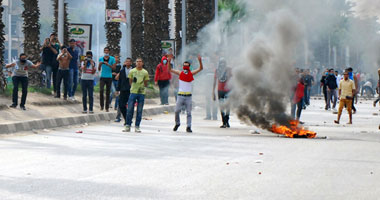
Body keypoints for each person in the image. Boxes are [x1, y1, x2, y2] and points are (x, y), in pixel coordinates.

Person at [170, 55, 204, 133]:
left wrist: (200, 61)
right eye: (184, 65)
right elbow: (170, 69)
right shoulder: (180, 73)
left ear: (189, 66)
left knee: (189, 113)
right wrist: (169, 61)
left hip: (188, 96)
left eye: (187, 65)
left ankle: (188, 126)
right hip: (180, 95)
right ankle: (177, 123)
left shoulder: (191, 74)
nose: (185, 67)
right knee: (177, 111)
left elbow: (201, 69)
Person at [124, 58, 149, 133]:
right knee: (130, 109)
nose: (138, 63)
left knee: (139, 110)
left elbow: (145, 83)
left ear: (142, 63)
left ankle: (137, 126)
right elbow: (130, 81)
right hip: (133, 92)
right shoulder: (132, 71)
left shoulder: (145, 72)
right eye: (137, 62)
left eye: (140, 62)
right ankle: (128, 125)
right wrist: (134, 87)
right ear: (135, 63)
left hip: (141, 93)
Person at [213, 58, 231, 128]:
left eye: (223, 63)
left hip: (228, 90)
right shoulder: (217, 70)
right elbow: (214, 81)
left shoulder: (229, 70)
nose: (222, 64)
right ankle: (224, 122)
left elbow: (232, 79)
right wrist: (213, 92)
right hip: (220, 91)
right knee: (221, 106)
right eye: (221, 63)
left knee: (228, 106)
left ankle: (227, 120)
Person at [98, 47, 116, 112]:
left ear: (109, 52)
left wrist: (108, 64)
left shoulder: (112, 59)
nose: (106, 52)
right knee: (101, 90)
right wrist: (100, 65)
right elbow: (99, 69)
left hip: (109, 76)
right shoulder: (101, 59)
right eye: (105, 51)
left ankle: (107, 107)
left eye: (107, 51)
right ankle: (101, 105)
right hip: (102, 76)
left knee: (108, 92)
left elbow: (114, 68)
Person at [116, 58, 133, 125]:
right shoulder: (122, 70)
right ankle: (126, 118)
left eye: (129, 61)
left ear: (131, 62)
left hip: (131, 90)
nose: (128, 63)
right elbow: (119, 80)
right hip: (123, 89)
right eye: (126, 61)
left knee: (130, 106)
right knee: (121, 105)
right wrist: (118, 89)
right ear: (125, 62)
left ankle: (129, 120)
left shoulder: (134, 70)